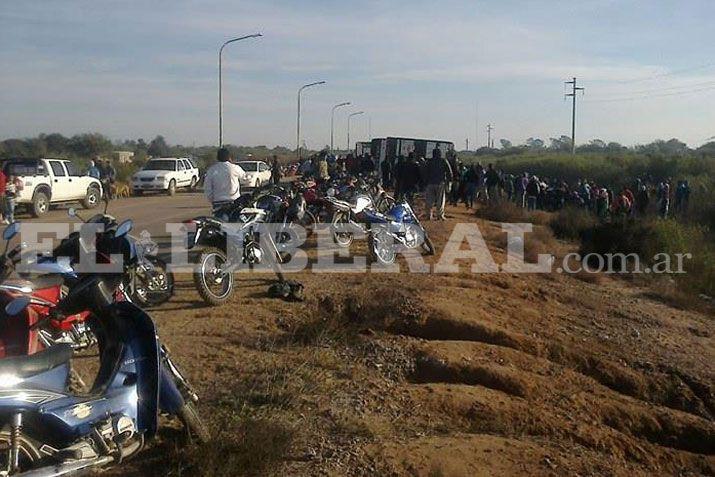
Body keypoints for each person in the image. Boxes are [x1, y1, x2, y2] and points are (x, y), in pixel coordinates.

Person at [204, 147, 247, 216]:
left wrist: (211, 199)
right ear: (229, 157)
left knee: (221, 223)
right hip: (234, 201)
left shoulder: (211, 170)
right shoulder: (234, 168)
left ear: (217, 157)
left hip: (218, 202)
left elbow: (207, 187)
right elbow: (245, 178)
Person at [422, 149, 452, 220]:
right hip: (440, 183)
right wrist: (449, 181)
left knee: (429, 200)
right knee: (440, 200)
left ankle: (428, 215)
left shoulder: (429, 162)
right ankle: (440, 215)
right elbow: (449, 173)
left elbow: (424, 172)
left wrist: (425, 182)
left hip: (430, 183)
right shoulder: (443, 161)